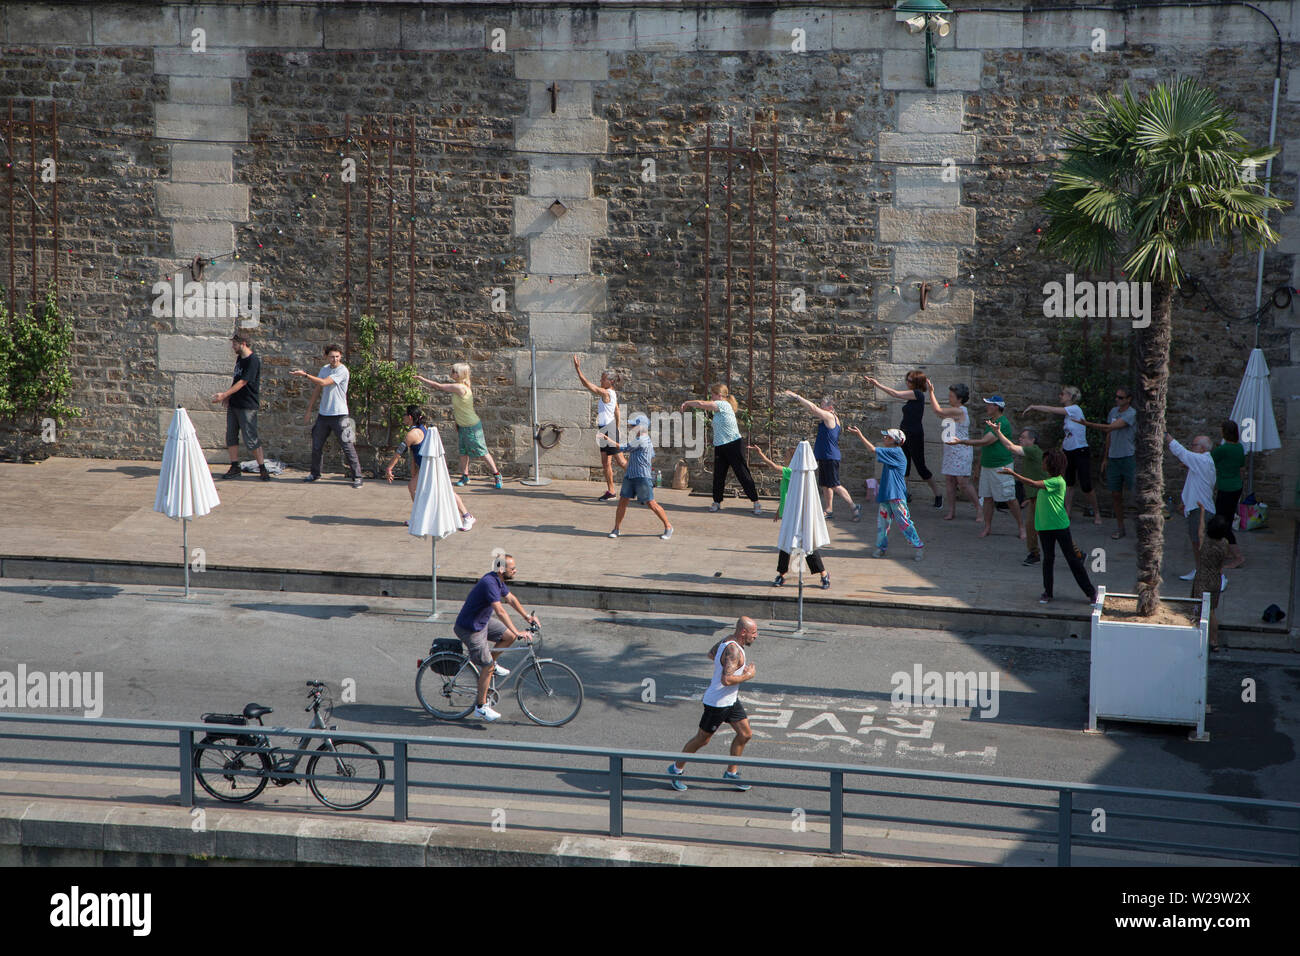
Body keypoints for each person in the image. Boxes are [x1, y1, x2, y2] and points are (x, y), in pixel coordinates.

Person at [667, 617, 758, 792]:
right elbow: (726, 679)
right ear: (743, 632)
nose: (756, 636)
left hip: (730, 701)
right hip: (717, 703)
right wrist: (747, 675)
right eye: (753, 633)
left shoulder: (727, 640)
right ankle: (675, 770)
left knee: (745, 734)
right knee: (702, 739)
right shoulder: (734, 650)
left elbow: (711, 654)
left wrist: (731, 667)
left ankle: (731, 773)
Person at [1001, 448, 1096, 605]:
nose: (1042, 463)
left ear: (1051, 464)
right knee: (1048, 560)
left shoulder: (1057, 481)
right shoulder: (1050, 480)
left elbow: (1032, 483)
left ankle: (1090, 593)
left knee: (1072, 559)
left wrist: (1013, 474)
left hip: (1060, 527)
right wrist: (1038, 527)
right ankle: (1048, 592)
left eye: (1044, 461)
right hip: (1045, 529)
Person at [452, 553, 538, 722]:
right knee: (487, 666)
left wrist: (527, 617)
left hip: (482, 623)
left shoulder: (498, 580)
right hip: (470, 628)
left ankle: (491, 663)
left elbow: (511, 599)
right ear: (501, 569)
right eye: (512, 568)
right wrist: (519, 631)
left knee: (509, 636)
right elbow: (500, 611)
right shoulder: (489, 583)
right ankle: (481, 707)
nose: (515, 570)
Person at [749, 444, 830, 588]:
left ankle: (823, 573)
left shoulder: (792, 472)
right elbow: (788, 495)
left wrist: (760, 454)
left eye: (786, 455)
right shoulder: (795, 474)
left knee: (807, 545)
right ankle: (782, 574)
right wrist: (779, 510)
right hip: (790, 514)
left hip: (800, 515)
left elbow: (773, 467)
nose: (784, 458)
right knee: (786, 545)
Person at [386, 406, 474, 530]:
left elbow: (398, 453)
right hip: (424, 468)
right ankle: (419, 518)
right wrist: (414, 471)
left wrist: (389, 468)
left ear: (410, 417)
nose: (403, 418)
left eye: (405, 415)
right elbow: (413, 453)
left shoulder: (412, 434)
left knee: (446, 492)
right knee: (412, 487)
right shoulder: (421, 428)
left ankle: (467, 516)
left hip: (432, 469)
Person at [1024, 386, 1103, 526]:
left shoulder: (1075, 409)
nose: (1060, 396)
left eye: (1063, 394)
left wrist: (1034, 406)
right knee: (1069, 483)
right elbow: (1068, 435)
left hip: (1080, 450)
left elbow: (1051, 410)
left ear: (1070, 396)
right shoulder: (1068, 416)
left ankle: (1097, 513)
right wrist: (1061, 451)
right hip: (1069, 451)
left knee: (1086, 484)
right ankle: (1067, 512)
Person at [950, 395, 1025, 539]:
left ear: (996, 407)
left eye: (989, 405)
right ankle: (988, 527)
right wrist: (979, 467)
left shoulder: (1002, 422)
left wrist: (962, 442)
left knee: (1009, 498)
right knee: (988, 498)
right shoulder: (991, 422)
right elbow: (986, 448)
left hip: (1002, 466)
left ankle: (1021, 527)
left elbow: (985, 442)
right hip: (988, 466)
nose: (987, 407)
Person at [417, 363, 502, 490]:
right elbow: (460, 409)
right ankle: (465, 476)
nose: (451, 372)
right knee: (463, 452)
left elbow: (438, 386)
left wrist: (421, 378)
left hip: (472, 426)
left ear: (459, 374)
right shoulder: (461, 386)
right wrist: (457, 423)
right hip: (462, 425)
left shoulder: (460, 387)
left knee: (482, 451)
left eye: (453, 371)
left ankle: (497, 474)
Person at [865, 371, 942, 508]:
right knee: (904, 465)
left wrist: (877, 384)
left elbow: (895, 394)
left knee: (920, 467)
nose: (907, 382)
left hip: (915, 435)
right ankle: (903, 494)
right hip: (904, 435)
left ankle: (938, 494)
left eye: (910, 381)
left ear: (917, 383)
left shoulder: (917, 394)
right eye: (907, 379)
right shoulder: (912, 395)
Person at [681, 384, 761, 515]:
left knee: (742, 474)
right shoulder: (718, 409)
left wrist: (687, 403)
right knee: (718, 476)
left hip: (733, 445)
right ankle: (717, 502)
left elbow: (701, 403)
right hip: (720, 446)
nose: (711, 397)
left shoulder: (724, 405)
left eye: (712, 394)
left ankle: (756, 502)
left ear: (719, 395)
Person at [847, 426, 924, 561]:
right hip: (887, 494)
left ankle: (918, 547)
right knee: (882, 524)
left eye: (887, 437)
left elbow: (872, 450)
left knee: (904, 522)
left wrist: (860, 434)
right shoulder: (891, 451)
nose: (884, 438)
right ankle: (881, 548)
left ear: (894, 440)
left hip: (897, 496)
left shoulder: (896, 452)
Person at [291, 343, 363, 488]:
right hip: (324, 415)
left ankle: (358, 477)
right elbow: (318, 389)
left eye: (337, 356)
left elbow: (324, 382)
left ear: (340, 356)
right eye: (332, 357)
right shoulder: (324, 369)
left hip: (341, 414)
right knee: (317, 445)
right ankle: (315, 473)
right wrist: (309, 409)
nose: (335, 359)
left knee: (348, 446)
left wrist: (305, 375)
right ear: (326, 357)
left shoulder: (343, 371)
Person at [783, 390, 860, 521]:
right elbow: (814, 409)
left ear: (830, 407)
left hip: (831, 457)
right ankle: (829, 510)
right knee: (825, 484)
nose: (820, 407)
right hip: (825, 456)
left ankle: (854, 507)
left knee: (835, 484)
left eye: (822, 405)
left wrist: (797, 396)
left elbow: (813, 408)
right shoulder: (830, 417)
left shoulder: (830, 417)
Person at [1071, 386, 1137, 539]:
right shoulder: (1113, 412)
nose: (1117, 399)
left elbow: (1111, 427)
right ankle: (1120, 528)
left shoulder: (1131, 414)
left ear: (1128, 399)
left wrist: (1088, 424)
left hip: (1128, 457)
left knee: (1137, 494)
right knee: (1115, 494)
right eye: (1116, 396)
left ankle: (1145, 527)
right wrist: (1105, 458)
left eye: (1121, 397)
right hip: (1114, 458)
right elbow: (1109, 434)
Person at [600, 414, 672, 540]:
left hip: (642, 477)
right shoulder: (643, 440)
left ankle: (668, 527)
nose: (631, 427)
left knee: (652, 503)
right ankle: (616, 529)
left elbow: (622, 447)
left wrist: (607, 438)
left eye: (634, 425)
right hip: (630, 476)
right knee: (622, 502)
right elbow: (652, 455)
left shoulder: (642, 440)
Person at [211, 332, 271, 481]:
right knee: (231, 435)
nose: (233, 347)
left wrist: (224, 395)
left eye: (234, 344)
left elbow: (243, 382)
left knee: (251, 437)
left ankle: (262, 468)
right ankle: (234, 466)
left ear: (243, 343)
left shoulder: (253, 360)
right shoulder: (240, 358)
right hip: (235, 404)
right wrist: (229, 396)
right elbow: (236, 379)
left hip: (247, 406)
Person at [986, 422, 1045, 566]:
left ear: (1032, 440)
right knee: (1031, 526)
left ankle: (1076, 553)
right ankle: (1034, 554)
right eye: (1021, 437)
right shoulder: (1031, 452)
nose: (1021, 439)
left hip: (1043, 497)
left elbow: (1010, 447)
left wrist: (998, 432)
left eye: (1024, 438)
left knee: (1054, 529)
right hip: (1035, 497)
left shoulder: (1033, 450)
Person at [1167, 434, 1220, 585]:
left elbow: (1181, 452)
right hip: (1196, 508)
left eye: (1194, 445)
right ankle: (1198, 570)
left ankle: (1216, 575)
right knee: (1196, 542)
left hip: (1201, 511)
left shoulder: (1202, 460)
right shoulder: (1202, 461)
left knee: (1202, 544)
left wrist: (1167, 436)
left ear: (1202, 448)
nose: (1191, 447)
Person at [573, 356, 627, 501]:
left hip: (608, 430)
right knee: (606, 463)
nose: (601, 381)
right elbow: (616, 410)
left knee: (621, 462)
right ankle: (611, 491)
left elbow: (587, 385)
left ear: (611, 381)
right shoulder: (612, 394)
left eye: (603, 379)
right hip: (606, 429)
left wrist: (578, 369)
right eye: (601, 378)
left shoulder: (606, 393)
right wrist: (617, 427)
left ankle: (643, 482)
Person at [927, 381, 980, 521]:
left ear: (960, 399)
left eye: (951, 396)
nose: (949, 398)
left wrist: (931, 392)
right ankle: (951, 511)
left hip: (961, 450)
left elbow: (938, 411)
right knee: (949, 480)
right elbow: (940, 415)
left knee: (963, 482)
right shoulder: (954, 411)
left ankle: (979, 509)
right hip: (951, 450)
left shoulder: (960, 410)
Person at [1192, 505, 1231, 650]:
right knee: (1212, 611)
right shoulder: (1224, 544)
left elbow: (1200, 530)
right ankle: (1214, 641)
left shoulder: (1205, 542)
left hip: (1202, 579)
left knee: (1198, 609)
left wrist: (1202, 511)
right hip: (1216, 579)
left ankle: (1198, 638)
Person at [1210, 419, 1245, 568]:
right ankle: (1229, 551)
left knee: (1222, 523)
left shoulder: (1223, 449)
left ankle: (1238, 557)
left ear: (1225, 433)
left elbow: (1205, 460)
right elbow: (1242, 468)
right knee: (1228, 520)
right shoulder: (1239, 448)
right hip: (1236, 487)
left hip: (1226, 489)